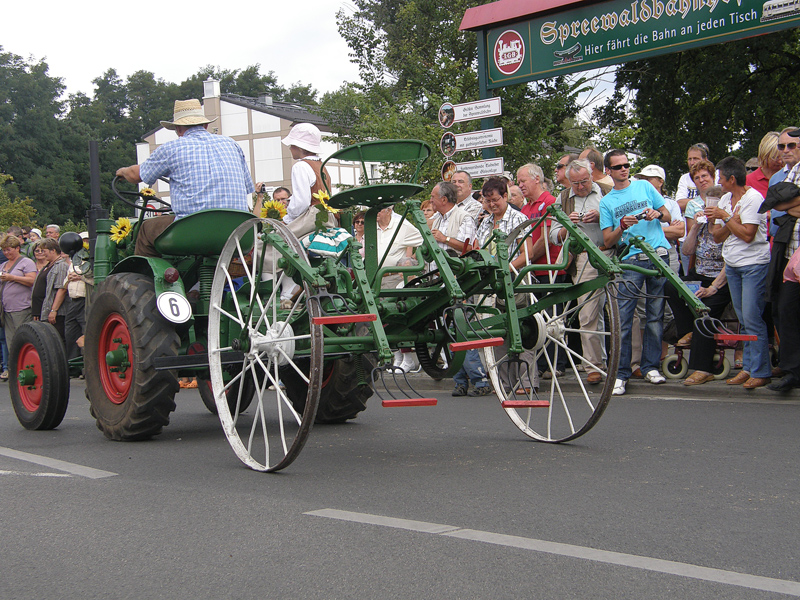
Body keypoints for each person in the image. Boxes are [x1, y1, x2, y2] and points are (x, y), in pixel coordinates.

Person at [116, 99, 255, 258]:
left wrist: (122, 171)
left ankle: (152, 279)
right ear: (205, 125)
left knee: (146, 229)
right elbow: (247, 189)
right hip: (238, 232)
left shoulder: (172, 148)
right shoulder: (232, 144)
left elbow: (135, 175)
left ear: (178, 129)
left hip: (193, 232)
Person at [600, 150, 672, 396]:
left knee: (655, 315)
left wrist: (657, 213)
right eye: (618, 166)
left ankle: (651, 367)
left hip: (658, 253)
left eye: (627, 165)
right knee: (624, 318)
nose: (624, 169)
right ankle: (621, 373)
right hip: (630, 259)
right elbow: (608, 241)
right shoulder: (607, 201)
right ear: (608, 170)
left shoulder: (644, 186)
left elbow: (669, 215)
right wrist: (621, 226)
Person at [707, 156, 772, 389]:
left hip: (753, 264)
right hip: (733, 264)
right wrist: (730, 221)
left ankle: (761, 370)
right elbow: (716, 235)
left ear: (732, 179)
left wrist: (726, 218)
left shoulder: (753, 198)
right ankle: (749, 368)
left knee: (753, 317)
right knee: (744, 318)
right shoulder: (725, 198)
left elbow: (747, 234)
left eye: (722, 179)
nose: (719, 183)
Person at [549, 159, 613, 385]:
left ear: (592, 176)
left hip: (612, 250)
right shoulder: (564, 198)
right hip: (584, 256)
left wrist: (602, 217)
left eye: (584, 181)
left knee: (624, 312)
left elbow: (623, 222)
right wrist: (567, 227)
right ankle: (594, 365)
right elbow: (553, 233)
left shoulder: (608, 192)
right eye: (575, 183)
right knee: (588, 313)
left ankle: (629, 364)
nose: (580, 187)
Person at [668, 180, 731, 386]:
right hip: (700, 274)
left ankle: (702, 368)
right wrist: (694, 227)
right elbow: (687, 251)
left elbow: (729, 262)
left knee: (705, 312)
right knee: (670, 285)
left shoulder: (727, 228)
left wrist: (712, 288)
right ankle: (688, 331)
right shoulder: (703, 225)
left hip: (721, 280)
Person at [516, 162, 567, 377]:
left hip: (551, 269)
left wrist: (525, 260)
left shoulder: (549, 202)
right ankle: (543, 363)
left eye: (523, 181)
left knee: (554, 319)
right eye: (518, 182)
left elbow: (546, 239)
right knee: (539, 320)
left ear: (537, 179)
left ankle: (558, 363)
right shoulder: (525, 209)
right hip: (534, 271)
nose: (520, 186)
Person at [0, 235, 37, 356]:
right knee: (10, 341)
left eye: (8, 249)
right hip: (6, 309)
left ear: (17, 248)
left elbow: (32, 281)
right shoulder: (3, 265)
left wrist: (12, 278)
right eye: (4, 250)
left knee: (23, 339)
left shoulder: (27, 262)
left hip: (22, 307)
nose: (6, 252)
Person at [36, 238, 70, 342]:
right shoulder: (48, 265)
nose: (42, 254)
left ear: (53, 251)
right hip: (46, 310)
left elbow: (61, 289)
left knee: (57, 341)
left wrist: (53, 310)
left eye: (44, 251)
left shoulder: (61, 266)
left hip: (57, 314)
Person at [429, 181, 476, 255]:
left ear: (444, 200)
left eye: (433, 197)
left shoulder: (464, 218)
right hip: (435, 266)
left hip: (453, 266)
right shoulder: (437, 220)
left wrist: (445, 239)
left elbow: (469, 248)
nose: (430, 200)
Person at [675, 143, 711, 212]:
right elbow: (679, 204)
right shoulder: (684, 178)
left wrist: (690, 203)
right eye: (689, 159)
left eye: (695, 159)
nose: (692, 163)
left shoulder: (716, 176)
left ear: (705, 160)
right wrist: (704, 201)